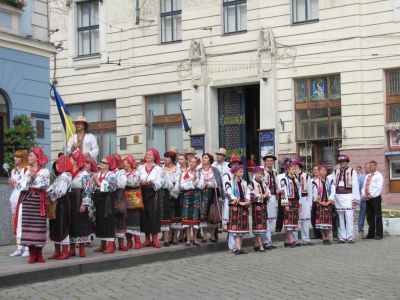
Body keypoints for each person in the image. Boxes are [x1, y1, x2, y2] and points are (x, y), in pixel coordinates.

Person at [14, 148, 50, 264]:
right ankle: (32, 253)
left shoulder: (45, 171)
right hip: (27, 200)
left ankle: (39, 253)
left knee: (39, 226)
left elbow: (46, 185)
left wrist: (35, 178)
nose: (28, 158)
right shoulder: (24, 170)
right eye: (28, 156)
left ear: (37, 157)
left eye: (31, 155)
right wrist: (30, 179)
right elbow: (18, 184)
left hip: (38, 200)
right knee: (28, 226)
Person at [68, 153, 94, 258]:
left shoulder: (83, 174)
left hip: (79, 198)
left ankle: (82, 249)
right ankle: (72, 248)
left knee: (81, 223)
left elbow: (88, 189)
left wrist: (84, 204)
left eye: (71, 158)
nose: (69, 160)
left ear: (76, 160)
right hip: (70, 199)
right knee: (71, 223)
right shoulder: (68, 173)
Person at [47, 155, 73, 260]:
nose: (56, 166)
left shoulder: (65, 175)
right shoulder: (60, 176)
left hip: (62, 202)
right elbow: (52, 187)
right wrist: (47, 192)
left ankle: (64, 251)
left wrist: (49, 195)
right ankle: (57, 251)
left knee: (62, 224)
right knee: (55, 225)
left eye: (58, 163)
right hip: (56, 202)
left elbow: (60, 191)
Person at [330, 155, 360, 244]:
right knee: (340, 217)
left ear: (347, 162)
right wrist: (332, 197)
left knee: (349, 216)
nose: (342, 163)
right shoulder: (335, 172)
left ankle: (350, 236)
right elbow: (332, 184)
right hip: (339, 196)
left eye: (343, 162)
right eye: (340, 162)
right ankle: (342, 236)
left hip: (349, 195)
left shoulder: (352, 172)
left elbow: (355, 185)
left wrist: (355, 198)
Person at [138, 148, 163, 248]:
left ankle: (155, 239)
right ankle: (147, 239)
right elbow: (137, 178)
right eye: (147, 154)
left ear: (154, 157)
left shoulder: (158, 168)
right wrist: (141, 182)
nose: (147, 156)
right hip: (143, 192)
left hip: (153, 192)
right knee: (145, 215)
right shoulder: (140, 168)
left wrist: (153, 182)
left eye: (150, 155)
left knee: (154, 215)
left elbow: (161, 181)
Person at [93, 155, 118, 253]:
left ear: (109, 165)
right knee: (100, 220)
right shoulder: (98, 174)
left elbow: (111, 187)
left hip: (107, 200)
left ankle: (111, 244)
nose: (101, 164)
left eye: (104, 162)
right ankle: (103, 243)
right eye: (101, 162)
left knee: (108, 220)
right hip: (99, 199)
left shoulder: (111, 175)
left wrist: (99, 183)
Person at [8, 150, 29, 257]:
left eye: (17, 157)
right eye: (15, 157)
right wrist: (12, 183)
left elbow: (26, 185)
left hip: (23, 199)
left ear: (22, 158)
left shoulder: (27, 170)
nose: (15, 159)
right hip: (14, 199)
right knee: (15, 224)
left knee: (24, 223)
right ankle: (19, 247)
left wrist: (15, 182)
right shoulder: (13, 171)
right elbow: (14, 187)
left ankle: (27, 248)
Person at [198, 153, 223, 243]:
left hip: (212, 194)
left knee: (212, 214)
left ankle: (212, 236)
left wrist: (209, 183)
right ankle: (204, 236)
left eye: (206, 158)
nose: (204, 159)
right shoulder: (199, 170)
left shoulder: (215, 170)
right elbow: (198, 183)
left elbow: (218, 182)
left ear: (210, 160)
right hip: (202, 194)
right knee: (203, 215)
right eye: (203, 157)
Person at [226, 165, 251, 255]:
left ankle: (239, 246)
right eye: (240, 172)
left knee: (242, 227)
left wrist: (248, 200)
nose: (242, 173)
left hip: (243, 207)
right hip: (235, 207)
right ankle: (238, 248)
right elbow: (229, 194)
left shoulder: (244, 183)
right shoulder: (230, 183)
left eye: (242, 172)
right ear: (235, 173)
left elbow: (247, 192)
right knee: (236, 227)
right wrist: (239, 202)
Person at [179, 156, 201, 247]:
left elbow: (201, 185)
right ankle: (188, 239)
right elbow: (182, 185)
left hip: (196, 196)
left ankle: (195, 238)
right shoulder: (185, 173)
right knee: (187, 218)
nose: (192, 163)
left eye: (194, 162)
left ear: (196, 164)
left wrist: (195, 181)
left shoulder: (199, 174)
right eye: (190, 161)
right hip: (187, 195)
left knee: (195, 218)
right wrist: (190, 182)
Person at [279, 161, 302, 248]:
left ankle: (287, 241)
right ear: (288, 170)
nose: (294, 170)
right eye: (293, 169)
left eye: (295, 169)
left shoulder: (296, 179)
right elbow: (283, 192)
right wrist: (285, 204)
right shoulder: (284, 180)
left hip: (295, 202)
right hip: (289, 202)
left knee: (294, 222)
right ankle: (290, 240)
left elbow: (298, 192)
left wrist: (300, 204)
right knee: (288, 222)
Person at [160, 151, 180, 247]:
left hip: (175, 194)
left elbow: (178, 181)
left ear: (172, 159)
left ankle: (175, 237)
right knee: (165, 215)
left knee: (175, 214)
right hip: (164, 194)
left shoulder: (177, 169)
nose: (165, 159)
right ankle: (166, 237)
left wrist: (173, 191)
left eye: (167, 157)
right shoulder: (161, 169)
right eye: (165, 157)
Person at [292, 159, 314, 246]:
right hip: (294, 200)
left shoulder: (306, 176)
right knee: (294, 220)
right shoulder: (290, 176)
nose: (295, 169)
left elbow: (310, 190)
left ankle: (306, 239)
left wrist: (310, 203)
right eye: (293, 167)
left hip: (304, 199)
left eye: (296, 167)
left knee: (305, 220)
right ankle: (294, 239)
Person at [247, 166, 269, 252]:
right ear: (254, 174)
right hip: (257, 206)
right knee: (258, 225)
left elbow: (268, 192)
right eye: (258, 174)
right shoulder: (251, 184)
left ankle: (256, 243)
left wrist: (267, 195)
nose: (259, 175)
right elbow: (252, 196)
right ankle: (260, 244)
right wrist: (263, 195)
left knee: (262, 225)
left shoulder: (264, 183)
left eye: (261, 174)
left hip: (264, 206)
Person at [312, 164, 335, 245]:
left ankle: (328, 237)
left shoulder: (330, 181)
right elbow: (314, 193)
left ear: (326, 171)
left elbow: (333, 191)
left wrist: (329, 201)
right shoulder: (315, 182)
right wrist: (319, 201)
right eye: (321, 170)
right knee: (321, 220)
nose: (322, 172)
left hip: (328, 202)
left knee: (327, 220)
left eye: (324, 170)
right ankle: (323, 237)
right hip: (320, 203)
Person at [362, 161, 384, 240]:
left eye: (372, 165)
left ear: (375, 166)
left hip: (375, 197)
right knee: (370, 216)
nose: (370, 167)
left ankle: (379, 234)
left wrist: (371, 195)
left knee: (377, 216)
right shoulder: (367, 176)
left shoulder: (378, 176)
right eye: (369, 166)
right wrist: (364, 195)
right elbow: (364, 186)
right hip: (367, 198)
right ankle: (371, 234)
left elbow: (379, 187)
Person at [123, 155, 141, 249]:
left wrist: (123, 182)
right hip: (125, 198)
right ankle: (129, 241)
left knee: (134, 219)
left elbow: (135, 183)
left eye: (125, 163)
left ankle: (137, 240)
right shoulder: (122, 173)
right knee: (126, 220)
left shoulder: (135, 174)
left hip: (133, 199)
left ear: (130, 164)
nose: (123, 165)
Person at [261, 153, 278, 250]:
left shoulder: (275, 172)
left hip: (273, 196)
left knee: (271, 219)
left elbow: (276, 184)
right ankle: (265, 241)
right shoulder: (262, 172)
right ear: (265, 162)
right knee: (266, 219)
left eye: (271, 161)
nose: (270, 162)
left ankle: (269, 240)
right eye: (268, 161)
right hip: (265, 197)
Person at [112, 153, 129, 251]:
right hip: (110, 196)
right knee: (111, 218)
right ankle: (111, 243)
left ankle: (121, 243)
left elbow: (122, 184)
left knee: (121, 217)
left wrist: (111, 182)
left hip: (119, 196)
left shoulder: (121, 171)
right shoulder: (109, 171)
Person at [212, 148, 230, 233]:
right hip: (217, 188)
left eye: (220, 155)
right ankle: (218, 225)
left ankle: (225, 224)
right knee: (218, 206)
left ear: (224, 157)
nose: (218, 156)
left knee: (226, 205)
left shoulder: (228, 165)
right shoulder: (213, 165)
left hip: (225, 188)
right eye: (217, 154)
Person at [358, 164, 369, 238]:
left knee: (372, 215)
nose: (369, 169)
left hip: (372, 199)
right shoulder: (361, 178)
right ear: (365, 169)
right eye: (368, 167)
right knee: (362, 215)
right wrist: (359, 196)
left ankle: (373, 230)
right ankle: (361, 231)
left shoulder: (374, 176)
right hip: (364, 199)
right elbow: (357, 188)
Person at [311, 166, 322, 239]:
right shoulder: (311, 180)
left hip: (321, 200)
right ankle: (316, 233)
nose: (316, 171)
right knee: (313, 217)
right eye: (314, 170)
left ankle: (322, 233)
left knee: (320, 217)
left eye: (317, 170)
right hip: (313, 201)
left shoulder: (322, 180)